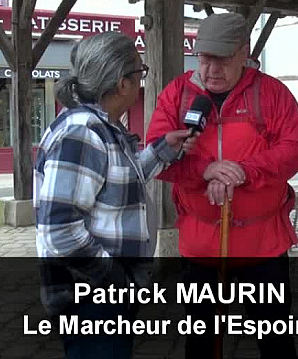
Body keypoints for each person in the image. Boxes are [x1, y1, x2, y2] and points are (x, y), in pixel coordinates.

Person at [146, 12, 298, 359]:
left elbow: (295, 149)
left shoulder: (272, 93)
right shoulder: (176, 94)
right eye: (205, 59)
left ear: (244, 52)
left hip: (263, 245)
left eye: (222, 59)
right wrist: (205, 171)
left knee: (276, 340)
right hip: (200, 246)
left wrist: (242, 171)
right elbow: (156, 156)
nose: (211, 70)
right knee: (202, 343)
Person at [34, 32, 198, 359]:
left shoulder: (103, 126)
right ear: (122, 82)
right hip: (92, 297)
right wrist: (115, 278)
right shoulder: (83, 132)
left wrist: (163, 150)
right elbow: (60, 231)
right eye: (140, 73)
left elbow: (118, 182)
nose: (141, 82)